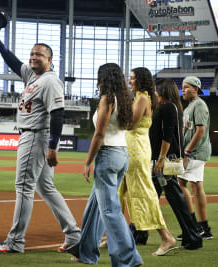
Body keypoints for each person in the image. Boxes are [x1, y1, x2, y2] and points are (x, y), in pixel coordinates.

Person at [0, 32, 80, 253]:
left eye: (39, 55)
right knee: (46, 187)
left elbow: (58, 114)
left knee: (23, 187)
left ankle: (15, 241)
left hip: (36, 136)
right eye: (31, 54)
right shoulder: (33, 77)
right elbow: (13, 62)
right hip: (32, 135)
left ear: (50, 59)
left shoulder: (50, 81)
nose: (33, 57)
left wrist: (52, 147)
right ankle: (74, 234)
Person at [66, 63, 143, 267]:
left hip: (108, 155)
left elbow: (99, 134)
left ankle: (128, 258)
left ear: (103, 78)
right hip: (121, 154)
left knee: (110, 210)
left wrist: (87, 162)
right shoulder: (125, 99)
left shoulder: (107, 99)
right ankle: (86, 252)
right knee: (96, 207)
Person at [118, 67, 177, 256]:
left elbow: (129, 124)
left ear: (141, 80)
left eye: (133, 78)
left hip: (136, 150)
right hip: (132, 148)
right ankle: (114, 236)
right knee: (119, 192)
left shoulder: (142, 98)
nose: (130, 81)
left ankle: (166, 236)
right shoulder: (141, 97)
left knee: (143, 193)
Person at [149, 78, 203, 250]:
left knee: (175, 199)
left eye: (157, 90)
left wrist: (160, 159)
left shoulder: (168, 107)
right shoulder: (171, 107)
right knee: (151, 197)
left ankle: (193, 238)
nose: (155, 93)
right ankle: (138, 233)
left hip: (166, 160)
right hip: (166, 159)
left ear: (163, 91)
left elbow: (167, 136)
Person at [178, 76, 213, 240]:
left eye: (186, 87)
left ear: (196, 89)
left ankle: (192, 226)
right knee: (196, 186)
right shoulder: (190, 107)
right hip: (196, 152)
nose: (183, 90)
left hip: (195, 152)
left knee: (180, 184)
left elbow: (200, 131)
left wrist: (186, 152)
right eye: (182, 87)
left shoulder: (199, 105)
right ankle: (203, 227)